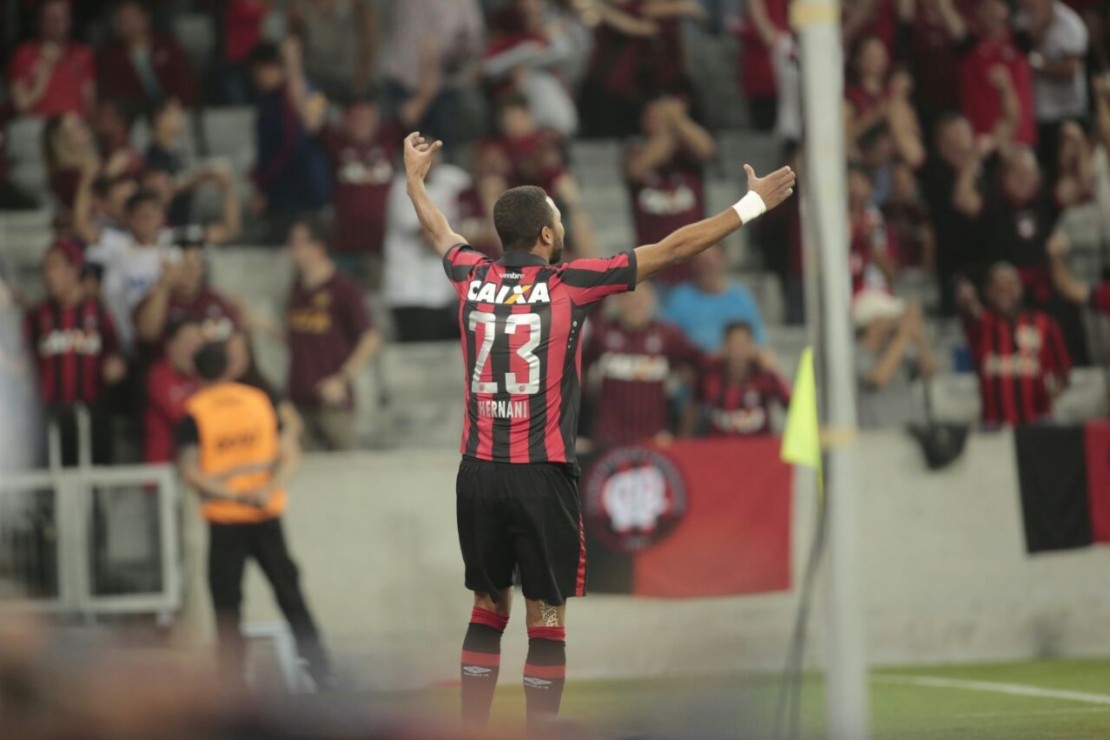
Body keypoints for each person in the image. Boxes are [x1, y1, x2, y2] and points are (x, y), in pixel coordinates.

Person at [403, 131, 794, 730]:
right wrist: (752, 205)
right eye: (556, 220)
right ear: (544, 235)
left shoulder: (468, 274)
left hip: (477, 473)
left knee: (486, 607)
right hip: (541, 475)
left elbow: (438, 231)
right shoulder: (570, 284)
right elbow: (673, 249)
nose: (560, 228)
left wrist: (414, 180)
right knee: (547, 616)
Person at [175, 341, 333, 689]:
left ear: (196, 372)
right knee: (291, 596)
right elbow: (290, 453)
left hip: (225, 518)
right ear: (230, 368)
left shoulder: (196, 410)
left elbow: (190, 470)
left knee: (227, 605)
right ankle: (321, 673)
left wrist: (234, 494)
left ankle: (232, 685)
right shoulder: (258, 400)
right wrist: (267, 488)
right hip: (265, 515)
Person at [23, 240, 126, 466]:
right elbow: (25, 358)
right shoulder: (38, 315)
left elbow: (114, 352)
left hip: (93, 412)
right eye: (45, 269)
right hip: (50, 414)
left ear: (74, 269)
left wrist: (115, 366)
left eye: (54, 267)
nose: (48, 275)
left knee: (96, 477)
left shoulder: (98, 313)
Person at [285, 217, 382, 451]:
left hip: (332, 402)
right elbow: (296, 338)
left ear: (317, 248)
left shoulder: (343, 288)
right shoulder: (296, 288)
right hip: (298, 398)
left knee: (341, 470)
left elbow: (371, 338)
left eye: (297, 243)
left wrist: (341, 378)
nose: (291, 250)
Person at [581, 283, 702, 449]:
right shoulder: (601, 334)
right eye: (631, 299)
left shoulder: (667, 335)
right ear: (619, 302)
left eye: (642, 299)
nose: (636, 305)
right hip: (608, 438)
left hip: (654, 439)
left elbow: (701, 362)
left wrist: (685, 427)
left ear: (652, 302)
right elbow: (574, 369)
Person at [956, 263, 1071, 427]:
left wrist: (1049, 393)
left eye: (1009, 285)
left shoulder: (1044, 325)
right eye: (997, 287)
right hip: (994, 425)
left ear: (1020, 289)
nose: (1004, 291)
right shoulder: (982, 326)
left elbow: (1063, 371)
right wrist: (967, 298)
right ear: (987, 293)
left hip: (1037, 422)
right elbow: (970, 310)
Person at [625, 96, 716, 285]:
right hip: (654, 267)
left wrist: (680, 121)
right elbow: (637, 170)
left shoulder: (688, 153)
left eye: (665, 117)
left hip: (694, 268)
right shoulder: (635, 150)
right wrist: (673, 126)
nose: (661, 120)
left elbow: (708, 150)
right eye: (655, 116)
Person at [249, 40, 332, 245]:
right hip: (278, 197)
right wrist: (261, 187)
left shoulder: (314, 91)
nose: (257, 77)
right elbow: (266, 152)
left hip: (308, 191)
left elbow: (313, 122)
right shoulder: (265, 103)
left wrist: (294, 67)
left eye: (261, 70)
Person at [383, 163, 473, 342]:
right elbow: (429, 236)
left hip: (444, 294)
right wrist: (477, 235)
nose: (426, 161)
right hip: (410, 294)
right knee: (417, 360)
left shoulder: (451, 178)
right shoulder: (403, 187)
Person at [382, 0, 485, 150]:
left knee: (445, 151)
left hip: (445, 89)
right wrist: (422, 97)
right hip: (402, 83)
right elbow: (426, 45)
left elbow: (473, 38)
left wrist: (458, 52)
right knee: (398, 149)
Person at [319, 98, 404, 275]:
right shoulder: (338, 144)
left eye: (367, 118)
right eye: (356, 119)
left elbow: (421, 101)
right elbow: (309, 116)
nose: (362, 124)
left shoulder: (388, 138)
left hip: (384, 247)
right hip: (347, 246)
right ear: (345, 121)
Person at [935, 0, 1037, 146]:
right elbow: (944, 8)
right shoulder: (968, 45)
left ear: (1006, 10)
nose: (991, 12)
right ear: (976, 13)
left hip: (1019, 139)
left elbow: (1045, 11)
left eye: (995, 5)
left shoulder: (1020, 42)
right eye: (985, 7)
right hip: (980, 142)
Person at [684, 321, 790, 437]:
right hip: (718, 450)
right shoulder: (710, 376)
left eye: (743, 344)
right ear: (724, 346)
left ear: (752, 347)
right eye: (733, 344)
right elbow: (692, 408)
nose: (738, 350)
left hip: (758, 449)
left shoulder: (765, 376)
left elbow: (793, 405)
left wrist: (775, 370)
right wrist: (684, 440)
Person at [1018, 0, 1089, 171]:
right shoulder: (1022, 18)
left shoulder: (1070, 24)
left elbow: (1069, 70)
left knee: (1069, 170)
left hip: (1067, 111)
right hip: (1037, 112)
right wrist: (1036, 29)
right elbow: (1018, 49)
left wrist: (1033, 63)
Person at [661, 244, 768, 353]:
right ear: (694, 265)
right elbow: (666, 340)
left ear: (724, 261)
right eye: (703, 263)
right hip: (692, 363)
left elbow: (758, 342)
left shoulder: (741, 298)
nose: (708, 269)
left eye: (712, 263)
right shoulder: (680, 298)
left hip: (731, 363)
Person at [853, 293, 938, 429]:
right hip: (874, 440)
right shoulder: (855, 352)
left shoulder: (897, 351)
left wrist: (919, 338)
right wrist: (904, 335)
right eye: (889, 318)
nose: (894, 322)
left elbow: (929, 371)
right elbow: (878, 378)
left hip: (907, 437)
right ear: (873, 323)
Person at [96, 0, 198, 110]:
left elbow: (184, 84)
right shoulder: (110, 58)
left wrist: (178, 105)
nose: (126, 23)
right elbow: (113, 97)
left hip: (174, 112)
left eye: (131, 17)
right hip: (133, 117)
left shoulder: (169, 48)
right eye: (121, 19)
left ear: (146, 19)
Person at [134, 245, 243, 347]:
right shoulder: (157, 297)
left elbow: (235, 330)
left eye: (196, 265)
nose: (191, 271)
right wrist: (164, 286)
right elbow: (147, 333)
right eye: (184, 266)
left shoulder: (211, 296)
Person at [7, 0, 95, 119]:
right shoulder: (24, 54)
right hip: (36, 125)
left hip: (73, 125)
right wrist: (46, 69)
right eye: (51, 18)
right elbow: (21, 106)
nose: (57, 23)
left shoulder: (82, 54)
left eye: (62, 17)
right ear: (40, 21)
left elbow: (89, 104)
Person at [286, 0, 377, 104]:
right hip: (315, 81)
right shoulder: (301, 8)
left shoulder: (357, 7)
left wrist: (362, 77)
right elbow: (294, 45)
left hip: (348, 81)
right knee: (313, 111)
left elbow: (371, 43)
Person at [144, 318, 202, 463]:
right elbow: (184, 419)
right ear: (171, 345)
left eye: (198, 344)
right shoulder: (159, 376)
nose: (194, 350)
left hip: (195, 467)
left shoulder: (200, 378)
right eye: (188, 343)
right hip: (163, 470)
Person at [41, 112, 97, 213]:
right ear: (61, 139)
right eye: (78, 126)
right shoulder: (66, 175)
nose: (86, 129)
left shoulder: (94, 162)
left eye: (82, 124)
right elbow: (89, 209)